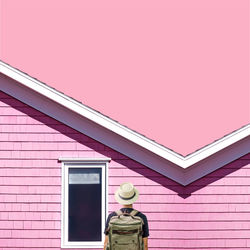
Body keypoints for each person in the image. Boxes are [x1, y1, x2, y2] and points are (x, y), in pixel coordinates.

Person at [103, 182, 149, 250]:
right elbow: (145, 245)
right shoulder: (141, 217)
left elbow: (106, 243)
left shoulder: (111, 217)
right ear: (133, 198)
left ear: (120, 198)